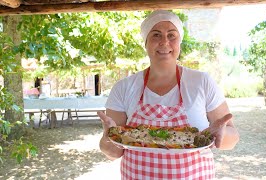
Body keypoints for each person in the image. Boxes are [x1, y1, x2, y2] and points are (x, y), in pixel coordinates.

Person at [98, 10, 239, 179]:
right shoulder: (123, 87)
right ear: (146, 43)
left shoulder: (202, 82)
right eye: (156, 35)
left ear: (179, 42)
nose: (164, 42)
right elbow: (113, 153)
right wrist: (109, 138)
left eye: (171, 35)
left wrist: (219, 136)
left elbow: (233, 137)